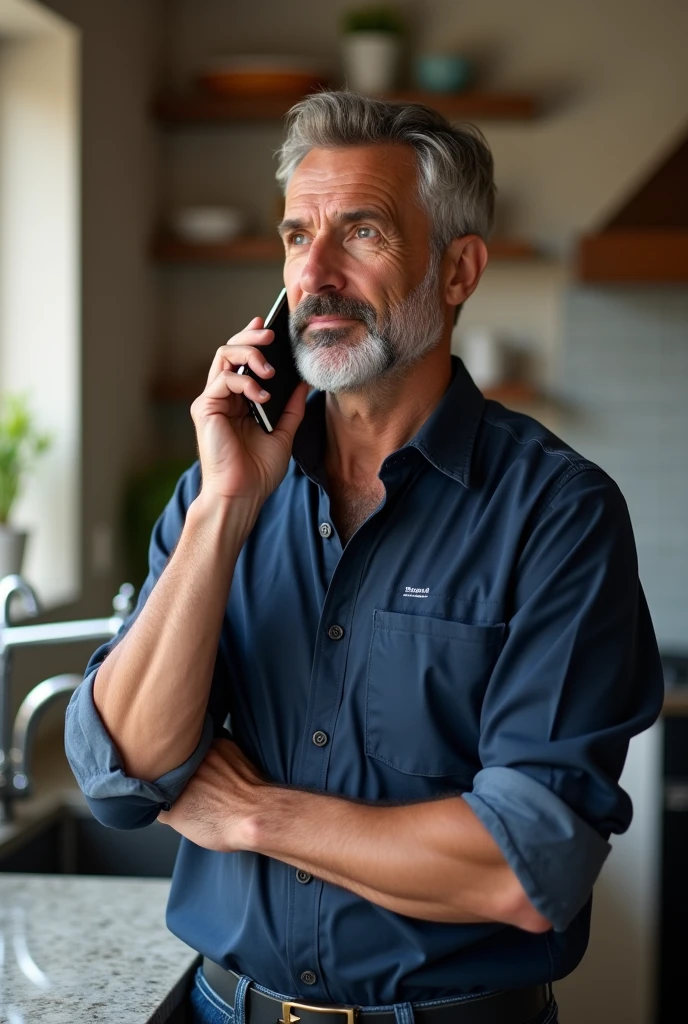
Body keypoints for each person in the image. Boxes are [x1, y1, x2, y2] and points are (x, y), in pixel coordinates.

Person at [65, 91, 664, 1024]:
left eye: (363, 233)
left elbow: (525, 862)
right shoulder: (220, 490)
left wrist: (255, 815)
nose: (317, 274)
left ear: (458, 269)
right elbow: (124, 773)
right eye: (298, 237)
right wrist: (225, 506)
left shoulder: (558, 514)